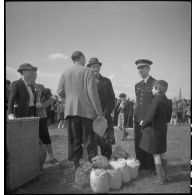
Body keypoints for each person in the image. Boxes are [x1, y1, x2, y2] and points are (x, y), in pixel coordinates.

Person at [57, 51, 103, 170]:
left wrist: (69, 100)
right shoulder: (87, 71)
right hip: (86, 112)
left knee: (75, 139)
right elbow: (93, 93)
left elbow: (60, 91)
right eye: (84, 58)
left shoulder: (65, 72)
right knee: (88, 140)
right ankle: (89, 166)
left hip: (71, 111)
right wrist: (99, 113)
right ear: (81, 58)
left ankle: (76, 165)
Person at [139, 80, 172, 184]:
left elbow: (150, 116)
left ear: (158, 89)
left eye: (153, 88)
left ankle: (160, 179)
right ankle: (166, 176)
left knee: (156, 154)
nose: (152, 90)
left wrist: (143, 123)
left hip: (154, 130)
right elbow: (168, 119)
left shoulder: (156, 100)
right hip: (163, 129)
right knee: (163, 153)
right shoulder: (168, 101)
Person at [87, 57, 115, 160]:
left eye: (97, 67)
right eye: (93, 67)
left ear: (100, 67)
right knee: (91, 144)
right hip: (90, 117)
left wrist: (106, 111)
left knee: (106, 143)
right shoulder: (85, 81)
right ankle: (92, 166)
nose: (95, 69)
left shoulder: (107, 81)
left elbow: (112, 98)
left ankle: (107, 164)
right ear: (89, 68)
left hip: (104, 116)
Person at [30, 70, 58, 165]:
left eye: (34, 74)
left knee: (45, 137)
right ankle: (33, 161)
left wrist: (45, 103)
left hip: (41, 116)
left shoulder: (41, 87)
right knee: (31, 139)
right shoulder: (24, 87)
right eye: (31, 74)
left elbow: (47, 101)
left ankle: (51, 157)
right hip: (29, 117)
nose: (33, 76)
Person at [134, 59, 156, 172]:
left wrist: (149, 118)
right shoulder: (137, 85)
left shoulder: (155, 83)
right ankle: (141, 164)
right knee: (138, 142)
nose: (140, 70)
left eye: (142, 67)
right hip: (138, 118)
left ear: (148, 68)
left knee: (149, 142)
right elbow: (138, 102)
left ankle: (151, 165)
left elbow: (156, 104)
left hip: (149, 119)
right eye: (138, 68)